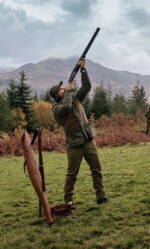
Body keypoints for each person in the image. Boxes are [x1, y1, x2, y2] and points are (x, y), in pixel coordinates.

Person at [49, 58, 107, 207]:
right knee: (72, 174)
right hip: (74, 145)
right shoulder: (56, 109)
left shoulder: (75, 99)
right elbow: (66, 106)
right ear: (58, 95)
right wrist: (68, 91)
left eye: (64, 88)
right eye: (62, 89)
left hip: (88, 140)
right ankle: (68, 200)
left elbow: (86, 87)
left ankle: (101, 196)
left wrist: (82, 70)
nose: (65, 89)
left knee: (97, 169)